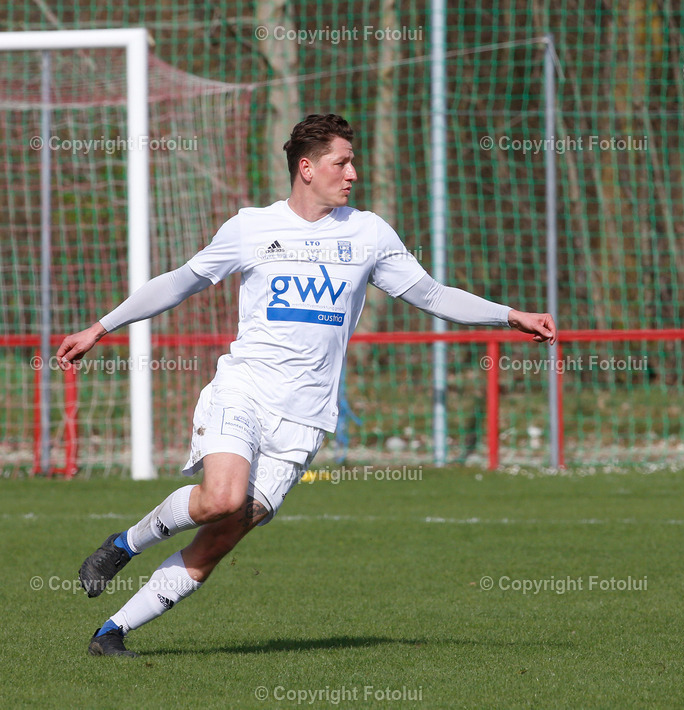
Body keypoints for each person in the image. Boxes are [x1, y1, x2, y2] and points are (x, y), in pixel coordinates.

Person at [58, 114, 557, 655]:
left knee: (222, 536)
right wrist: (100, 327)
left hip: (306, 416)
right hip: (245, 390)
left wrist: (510, 315)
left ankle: (112, 633)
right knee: (222, 497)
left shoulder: (369, 233)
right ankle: (124, 544)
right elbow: (180, 282)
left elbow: (432, 295)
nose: (353, 173)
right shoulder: (251, 227)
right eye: (342, 162)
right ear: (307, 168)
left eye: (352, 162)